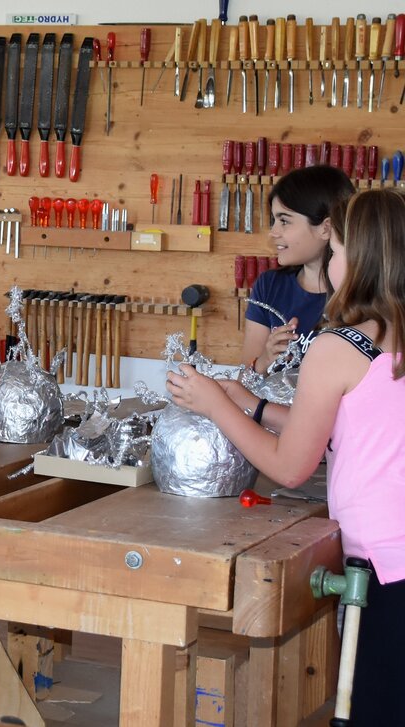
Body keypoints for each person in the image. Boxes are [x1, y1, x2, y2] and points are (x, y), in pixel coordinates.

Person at [167, 188, 405, 725]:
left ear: (361, 260)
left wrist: (213, 405)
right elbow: (351, 425)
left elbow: (291, 465)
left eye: (337, 253)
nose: (331, 265)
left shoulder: (341, 346)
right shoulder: (391, 339)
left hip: (384, 575)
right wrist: (251, 405)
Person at [242, 165, 354, 375]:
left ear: (325, 228)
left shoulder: (363, 294)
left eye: (284, 221)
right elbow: (244, 380)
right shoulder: (269, 286)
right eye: (274, 220)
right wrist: (265, 359)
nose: (273, 232)